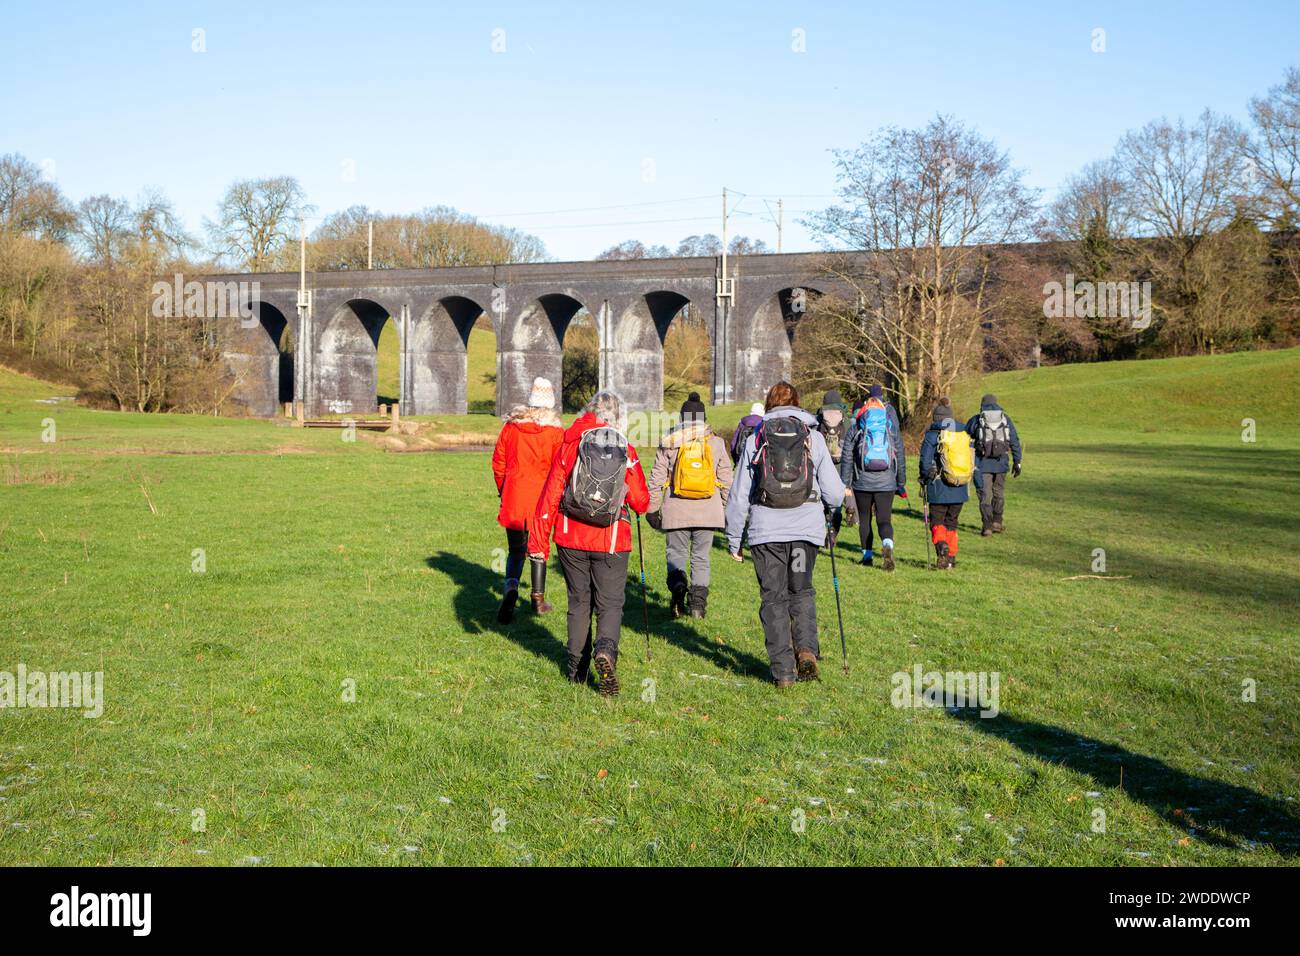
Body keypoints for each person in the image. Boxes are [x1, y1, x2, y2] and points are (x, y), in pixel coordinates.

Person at [724, 382, 847, 687]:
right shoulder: (813, 437)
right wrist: (830, 509)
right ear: (797, 403)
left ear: (769, 405)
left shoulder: (756, 439)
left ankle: (782, 671)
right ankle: (806, 649)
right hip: (805, 534)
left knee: (773, 598)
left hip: (767, 535)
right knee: (801, 591)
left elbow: (739, 495)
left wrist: (733, 539)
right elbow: (833, 491)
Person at [529, 391, 650, 695]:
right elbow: (641, 502)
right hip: (611, 540)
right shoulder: (625, 447)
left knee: (579, 602)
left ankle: (576, 672)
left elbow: (549, 497)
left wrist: (539, 548)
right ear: (617, 417)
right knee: (610, 604)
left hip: (571, 538)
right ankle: (606, 652)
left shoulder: (570, 445)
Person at [647, 394, 732, 619]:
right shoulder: (716, 442)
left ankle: (677, 586)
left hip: (676, 510)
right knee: (701, 557)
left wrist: (653, 509)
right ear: (703, 418)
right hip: (708, 510)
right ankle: (697, 606)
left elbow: (656, 478)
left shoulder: (670, 441)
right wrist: (724, 509)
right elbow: (726, 480)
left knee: (676, 553)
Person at [490, 377, 563, 623]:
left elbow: (498, 462)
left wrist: (504, 489)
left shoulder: (511, 428)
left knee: (515, 550)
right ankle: (538, 600)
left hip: (514, 497)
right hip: (541, 500)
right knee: (539, 548)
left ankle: (511, 586)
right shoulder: (555, 433)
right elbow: (560, 468)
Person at [840, 385, 906, 570]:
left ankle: (867, 557)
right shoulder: (890, 428)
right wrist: (900, 483)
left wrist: (845, 483)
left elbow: (847, 456)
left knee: (865, 518)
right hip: (887, 482)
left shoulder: (856, 427)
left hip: (862, 481)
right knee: (884, 520)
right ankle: (887, 544)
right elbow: (899, 456)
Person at [918, 398, 972, 571]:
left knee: (936, 522)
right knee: (952, 523)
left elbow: (925, 461)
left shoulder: (933, 434)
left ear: (936, 418)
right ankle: (951, 558)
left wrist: (924, 477)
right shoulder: (963, 434)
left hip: (939, 487)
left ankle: (942, 546)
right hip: (961, 485)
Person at [965, 393, 1022, 536]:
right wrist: (1017, 461)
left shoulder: (978, 419)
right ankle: (997, 521)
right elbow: (1014, 440)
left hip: (983, 464)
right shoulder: (1005, 419)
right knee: (999, 492)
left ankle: (987, 526)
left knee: (985, 495)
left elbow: (965, 433)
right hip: (1001, 463)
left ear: (982, 404)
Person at [816, 389, 851, 540]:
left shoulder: (818, 418)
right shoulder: (846, 419)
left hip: (823, 465)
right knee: (836, 502)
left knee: (823, 499)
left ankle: (826, 527)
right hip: (840, 466)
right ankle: (833, 532)